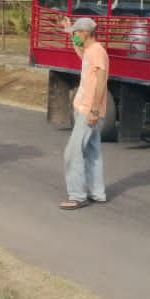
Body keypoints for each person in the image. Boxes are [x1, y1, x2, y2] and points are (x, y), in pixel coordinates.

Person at [59, 17, 108, 210]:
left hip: (89, 110)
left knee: (72, 152)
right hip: (85, 108)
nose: (76, 35)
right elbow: (81, 55)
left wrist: (94, 109)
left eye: (77, 32)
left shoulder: (98, 52)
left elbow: (101, 82)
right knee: (92, 152)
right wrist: (70, 33)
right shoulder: (90, 51)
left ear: (86, 33)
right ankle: (97, 192)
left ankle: (77, 195)